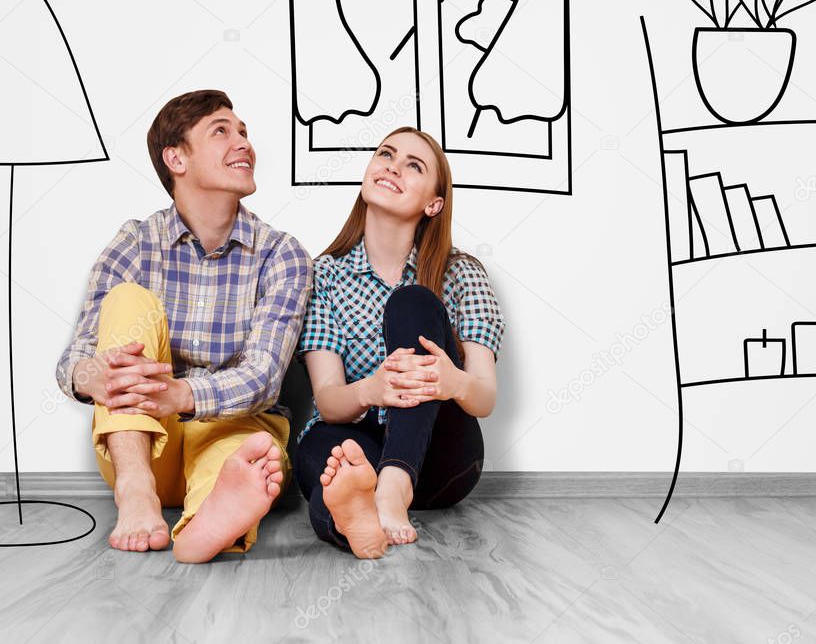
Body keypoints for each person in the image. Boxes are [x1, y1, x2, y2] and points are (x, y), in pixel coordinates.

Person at [57, 90, 312, 563]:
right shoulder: (135, 241)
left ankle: (205, 523)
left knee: (244, 447)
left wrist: (179, 394)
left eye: (244, 132)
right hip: (143, 440)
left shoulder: (282, 254)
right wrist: (97, 376)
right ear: (175, 158)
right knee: (129, 299)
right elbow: (73, 359)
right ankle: (136, 493)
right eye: (222, 131)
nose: (243, 143)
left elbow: (264, 376)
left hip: (232, 426)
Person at [294, 126, 504, 559]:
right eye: (386, 154)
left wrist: (453, 382)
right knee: (323, 451)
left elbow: (484, 398)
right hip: (363, 439)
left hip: (439, 458)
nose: (393, 165)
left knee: (412, 302)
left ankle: (393, 487)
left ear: (433, 203)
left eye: (413, 165)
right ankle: (352, 523)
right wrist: (372, 389)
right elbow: (330, 400)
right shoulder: (326, 276)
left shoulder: (462, 274)